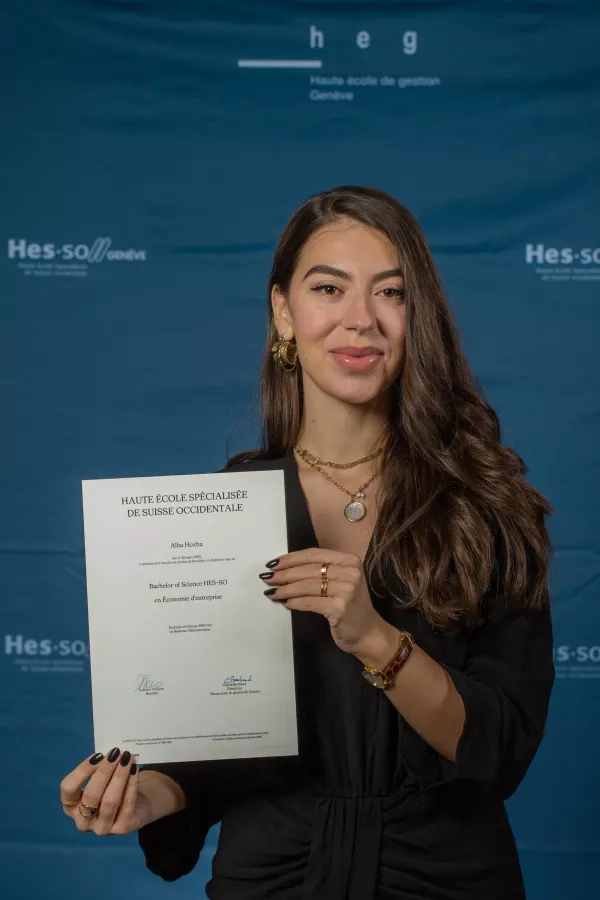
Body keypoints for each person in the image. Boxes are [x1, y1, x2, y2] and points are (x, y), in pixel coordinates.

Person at [60, 185, 555, 899]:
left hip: (443, 878)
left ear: (416, 317)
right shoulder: (220, 508)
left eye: (390, 293)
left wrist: (375, 637)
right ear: (284, 312)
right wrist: (147, 796)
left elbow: (499, 750)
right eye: (329, 288)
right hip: (272, 877)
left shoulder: (486, 506)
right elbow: (214, 749)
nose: (361, 320)